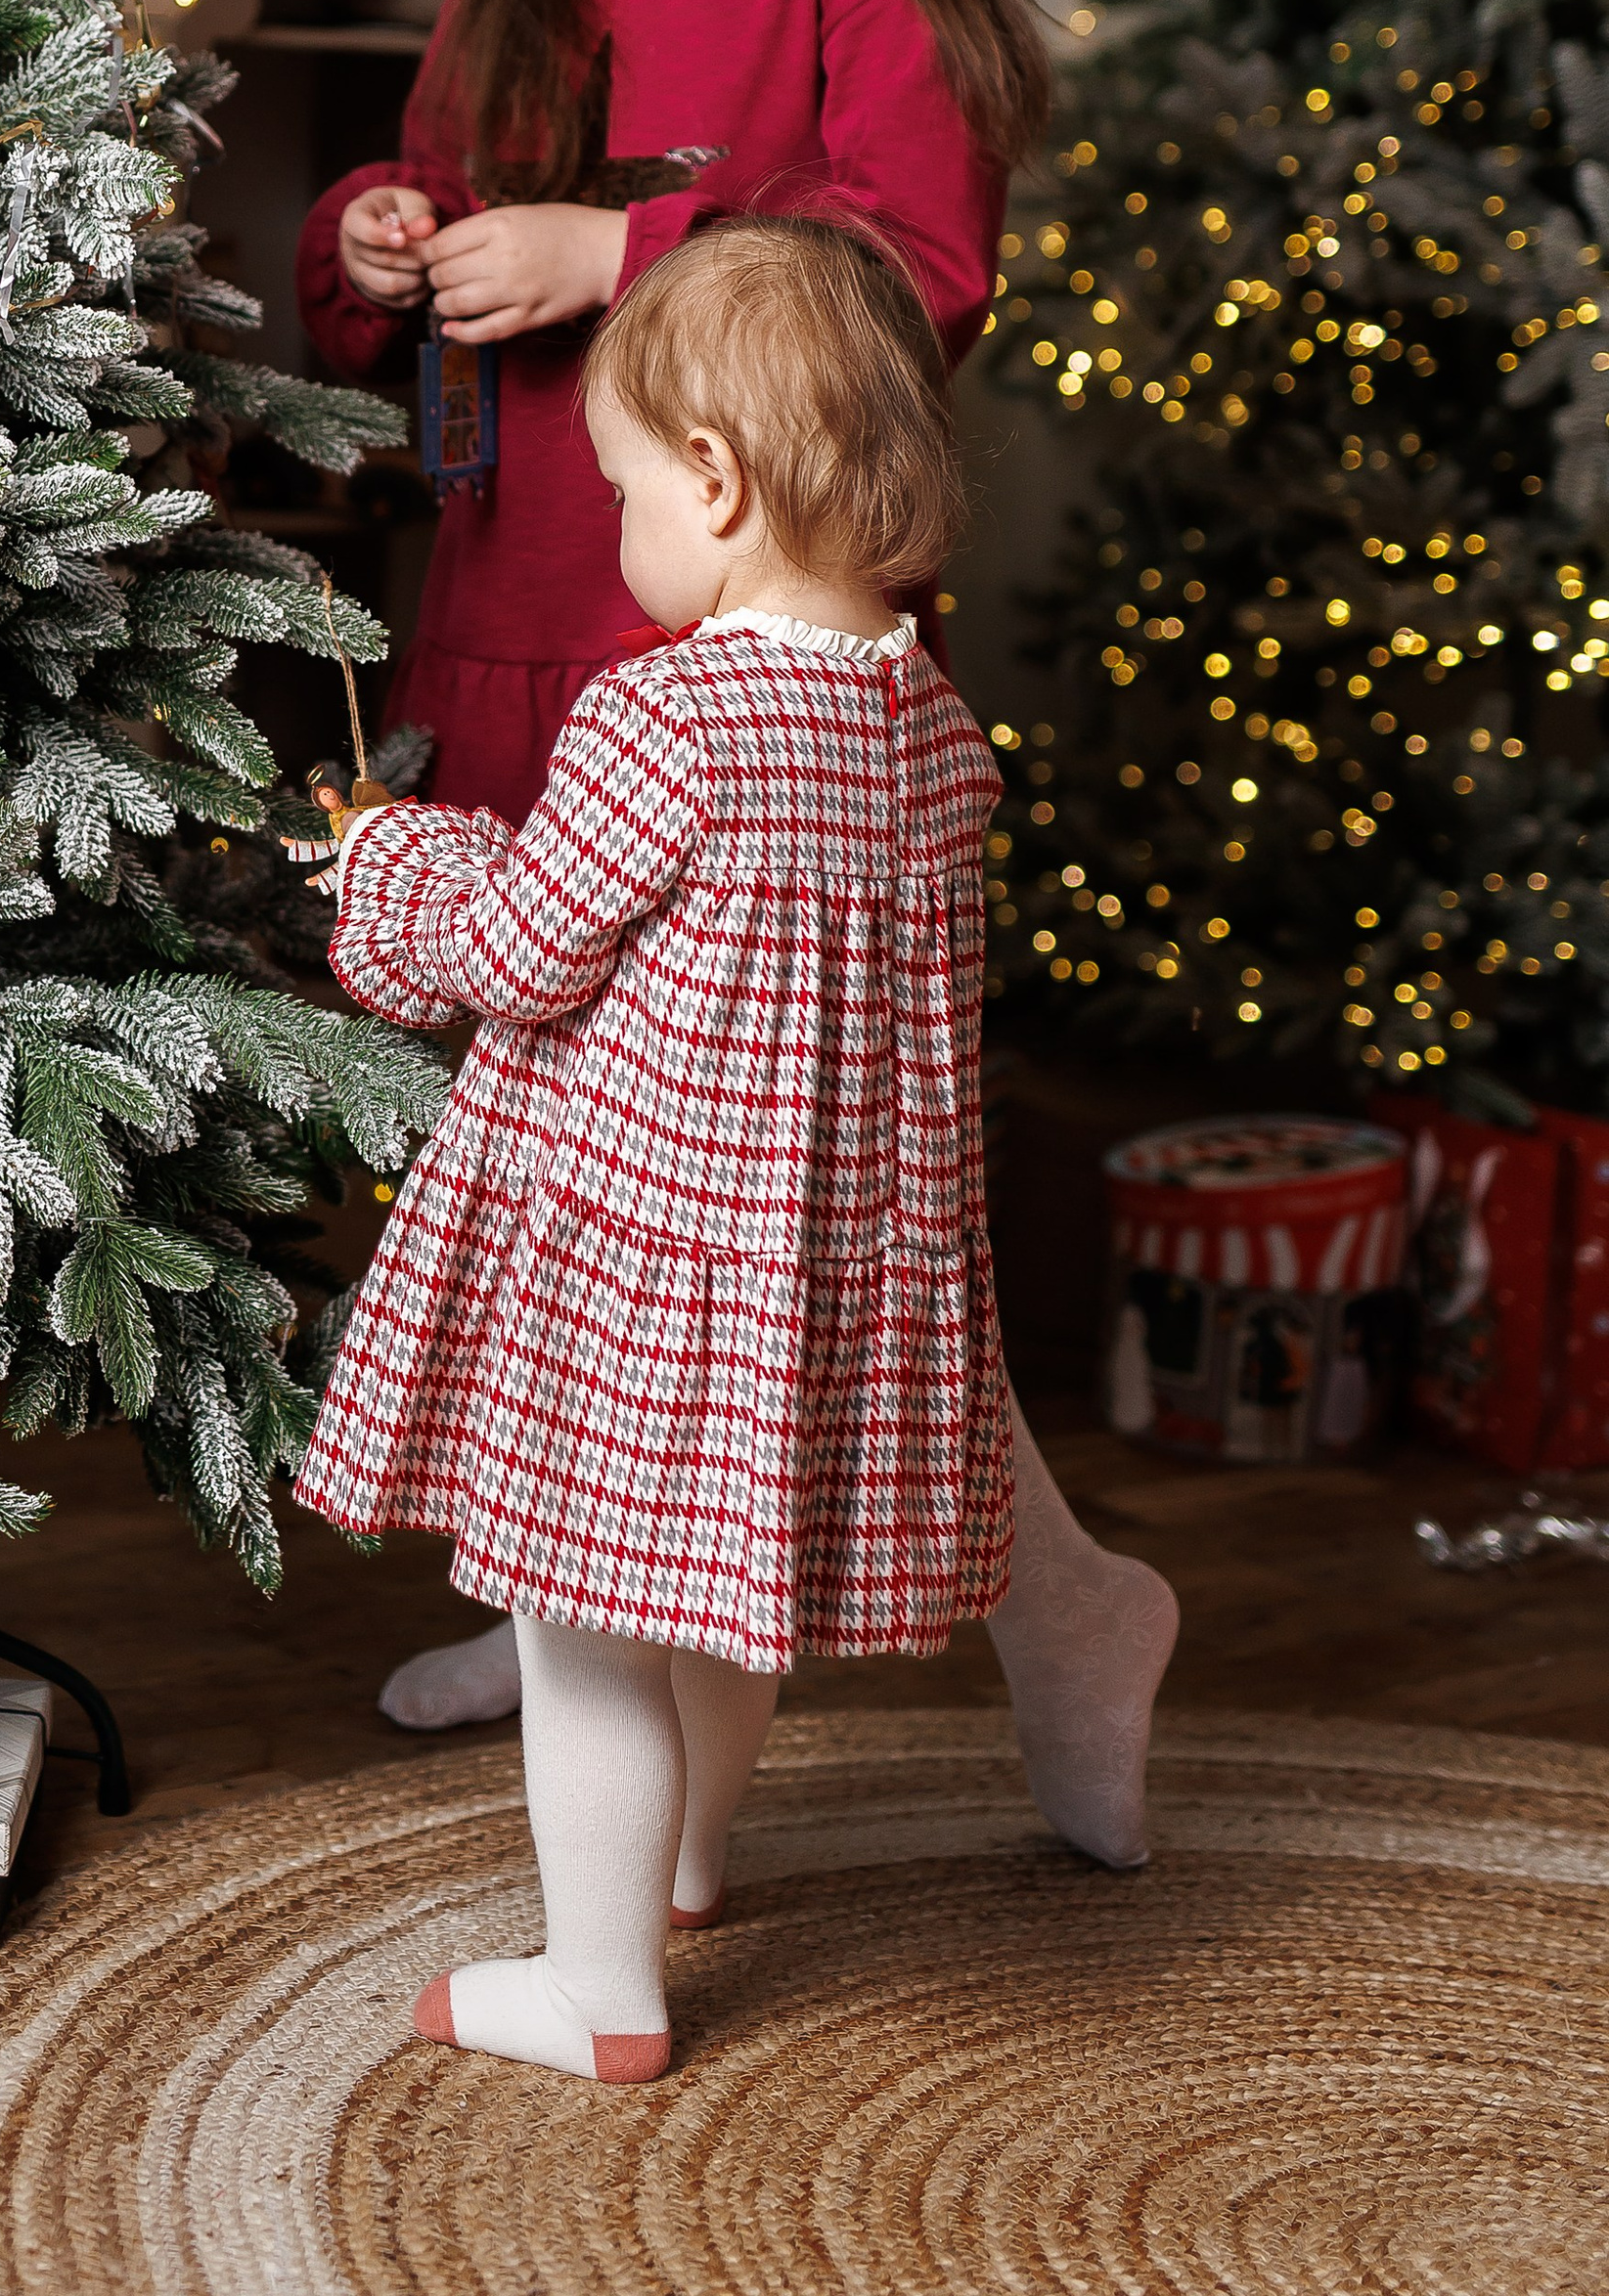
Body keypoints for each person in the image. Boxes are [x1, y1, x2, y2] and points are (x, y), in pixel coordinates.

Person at [296, 0, 1176, 1828]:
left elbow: (911, 270)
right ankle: (563, 1577)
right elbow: (468, 159)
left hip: (730, 669)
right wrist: (392, 233)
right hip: (522, 612)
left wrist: (627, 256)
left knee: (795, 1201)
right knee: (558, 1158)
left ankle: (1066, 1598)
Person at [297, 221, 1011, 2078]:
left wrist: (388, 865)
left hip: (644, 1253)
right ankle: (691, 1856)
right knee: (724, 1584)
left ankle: (599, 1979)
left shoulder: (669, 710)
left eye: (621, 486)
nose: (618, 525)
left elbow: (523, 949)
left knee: (582, 1617)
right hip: (823, 1258)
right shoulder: (937, 730)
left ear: (716, 479)